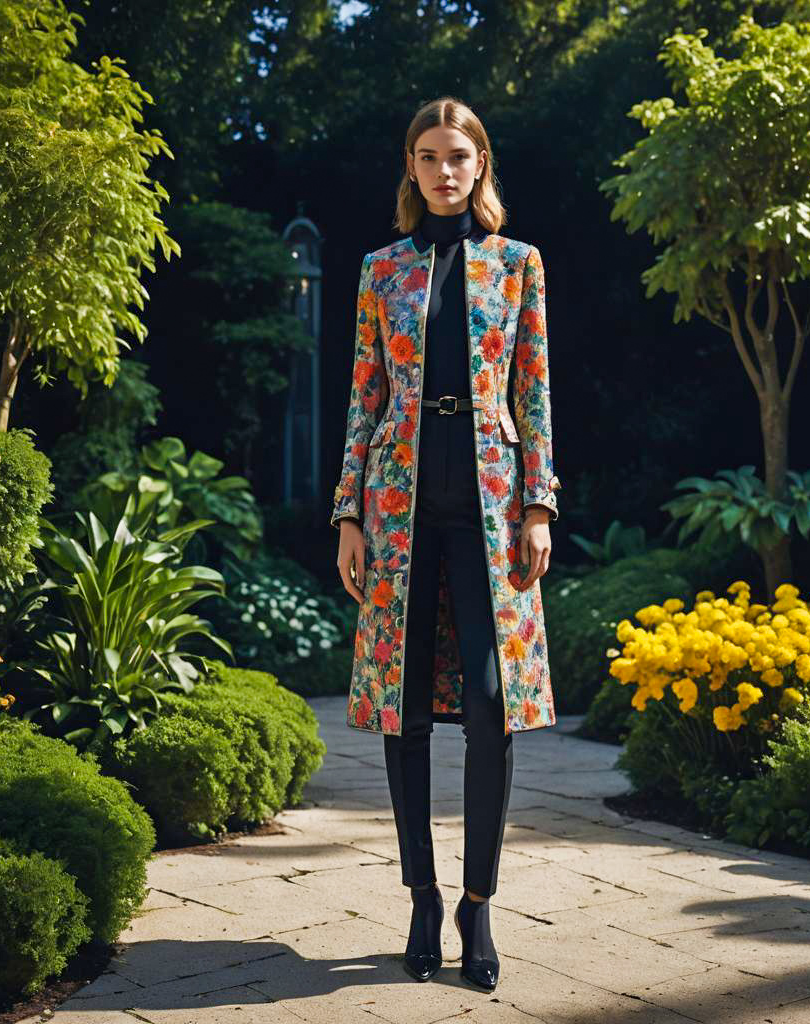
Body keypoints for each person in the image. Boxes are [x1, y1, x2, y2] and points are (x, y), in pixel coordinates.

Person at [331, 95, 561, 991]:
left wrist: (539, 502)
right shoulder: (381, 269)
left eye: (458, 155)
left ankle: (478, 903)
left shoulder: (518, 266)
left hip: (492, 505)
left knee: (493, 707)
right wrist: (348, 511)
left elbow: (535, 390)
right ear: (412, 168)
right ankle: (422, 893)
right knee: (405, 708)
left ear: (481, 164)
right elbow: (363, 397)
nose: (443, 169)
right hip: (397, 504)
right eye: (428, 156)